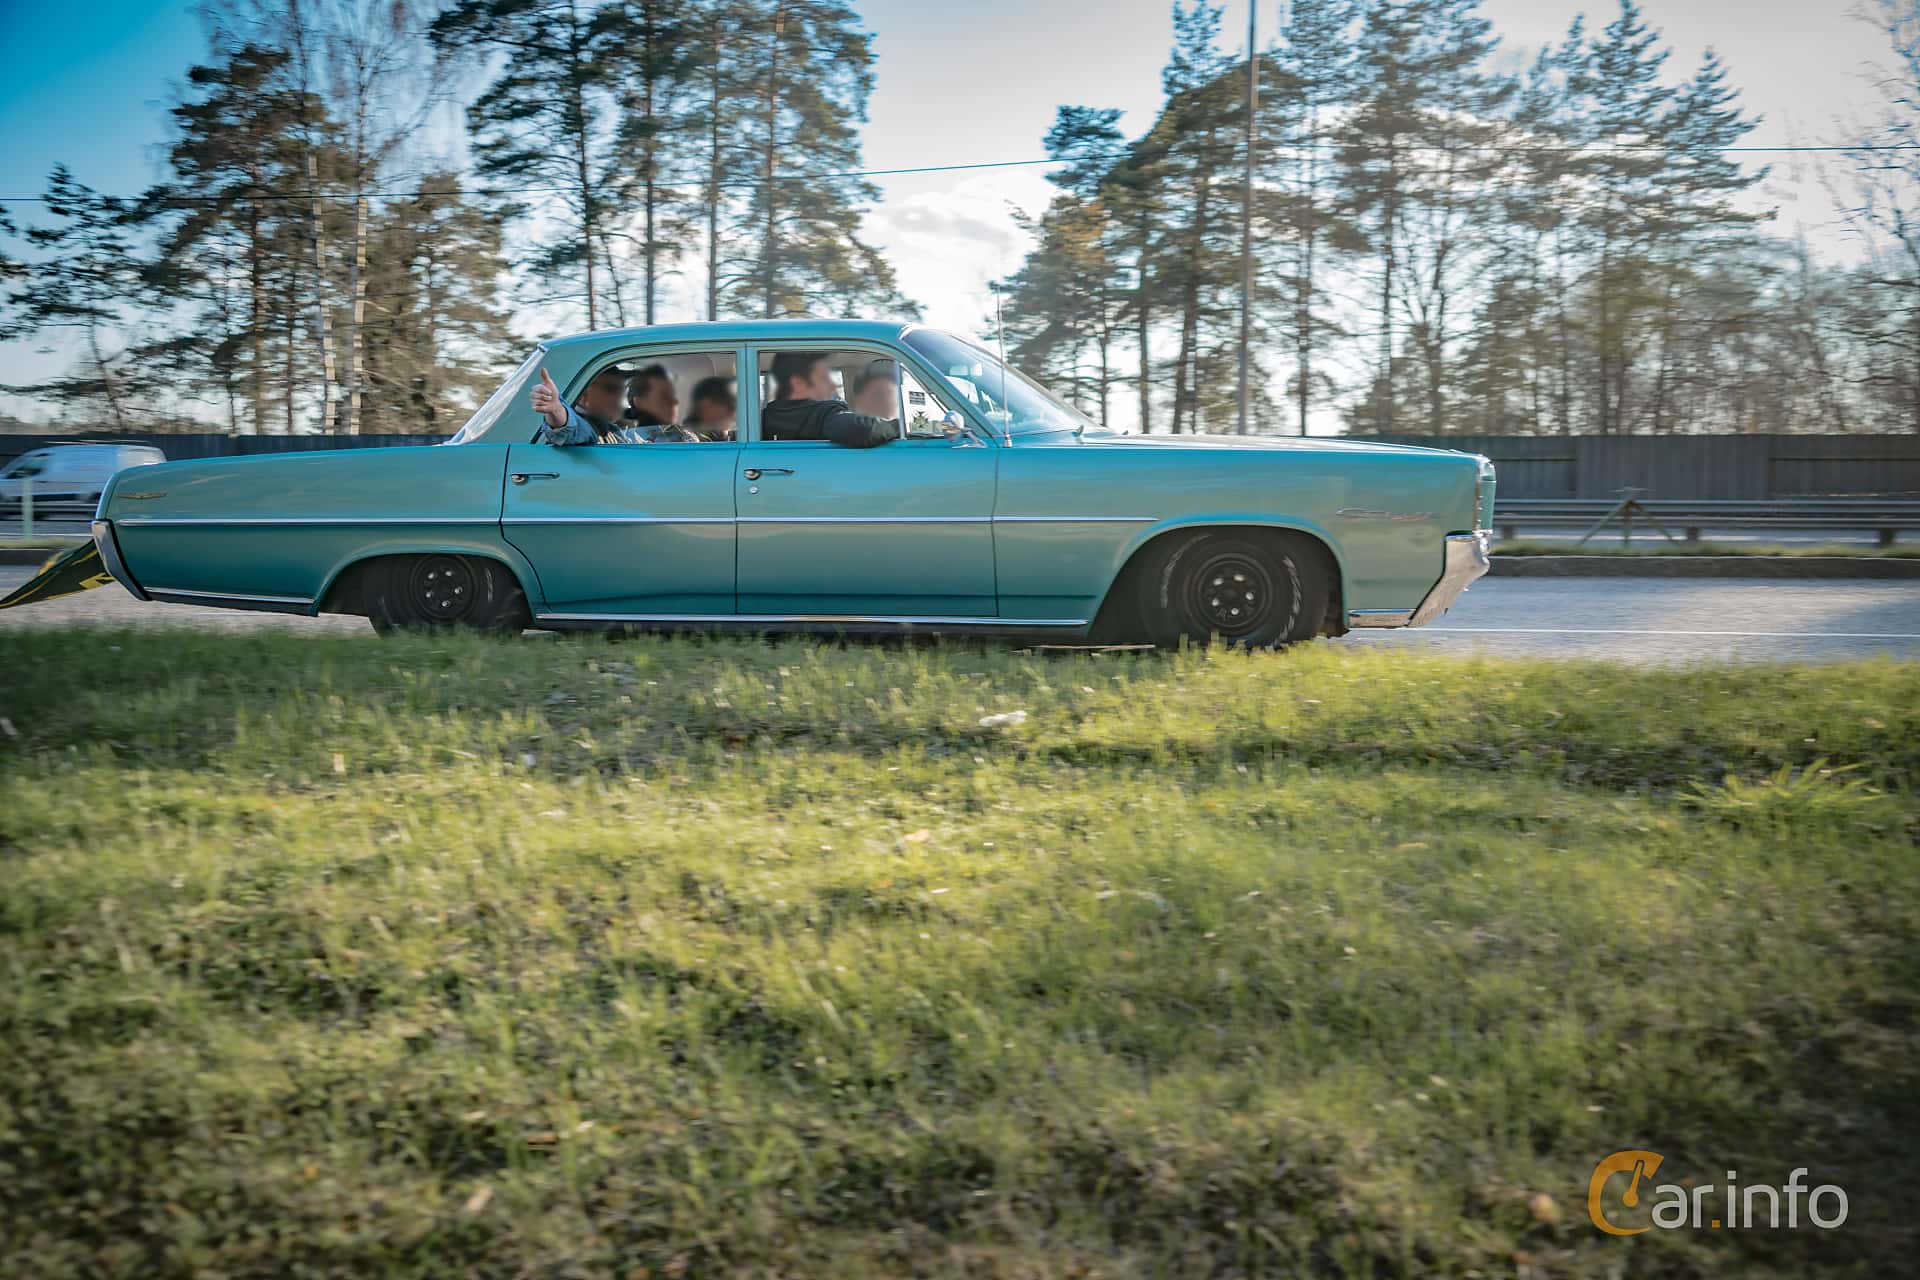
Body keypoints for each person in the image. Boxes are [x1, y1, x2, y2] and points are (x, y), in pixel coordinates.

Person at [761, 351, 897, 448]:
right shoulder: (822, 414)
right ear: (799, 384)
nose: (832, 385)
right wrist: (897, 426)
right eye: (823, 378)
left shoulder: (764, 418)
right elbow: (864, 430)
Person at [530, 365, 636, 445]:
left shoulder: (612, 428)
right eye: (611, 389)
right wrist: (556, 409)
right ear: (582, 396)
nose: (619, 395)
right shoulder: (589, 426)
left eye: (622, 388)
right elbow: (570, 429)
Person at [624, 365, 699, 443]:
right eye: (665, 395)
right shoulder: (622, 440)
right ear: (640, 402)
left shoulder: (684, 437)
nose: (675, 401)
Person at [685, 376, 737, 441]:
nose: (733, 413)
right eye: (728, 405)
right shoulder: (686, 438)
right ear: (705, 405)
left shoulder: (740, 437)